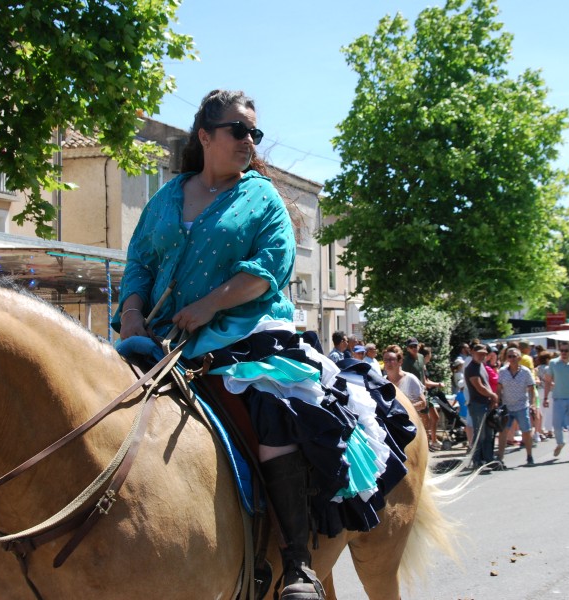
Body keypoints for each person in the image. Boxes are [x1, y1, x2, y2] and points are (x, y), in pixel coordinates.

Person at [113, 90, 415, 599]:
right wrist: (131, 315)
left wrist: (211, 305)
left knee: (274, 407)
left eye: (254, 132)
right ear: (205, 136)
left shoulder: (262, 197)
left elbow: (270, 267)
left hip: (244, 333)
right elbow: (139, 262)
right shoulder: (166, 197)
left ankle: (297, 563)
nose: (249, 140)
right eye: (238, 130)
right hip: (161, 338)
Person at [496, 348, 537, 466]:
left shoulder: (525, 372)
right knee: (503, 431)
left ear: (519, 358)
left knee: (526, 430)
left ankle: (529, 455)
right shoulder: (503, 371)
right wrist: (498, 401)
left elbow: (531, 388)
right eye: (509, 356)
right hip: (507, 406)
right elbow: (499, 388)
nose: (512, 359)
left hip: (521, 405)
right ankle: (500, 457)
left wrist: (533, 403)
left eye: (514, 356)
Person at [464, 344, 500, 469]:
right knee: (480, 434)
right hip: (477, 404)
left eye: (484, 354)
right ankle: (477, 460)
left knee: (488, 433)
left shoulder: (481, 366)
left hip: (485, 403)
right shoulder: (471, 368)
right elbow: (479, 387)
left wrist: (491, 398)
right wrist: (493, 395)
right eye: (479, 353)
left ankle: (488, 459)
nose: (482, 356)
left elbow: (486, 384)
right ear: (472, 352)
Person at [383, 345, 427, 418]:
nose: (388, 363)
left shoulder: (410, 379)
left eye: (391, 359)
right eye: (385, 360)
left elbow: (423, 403)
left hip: (410, 423)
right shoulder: (382, 381)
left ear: (400, 361)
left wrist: (403, 409)